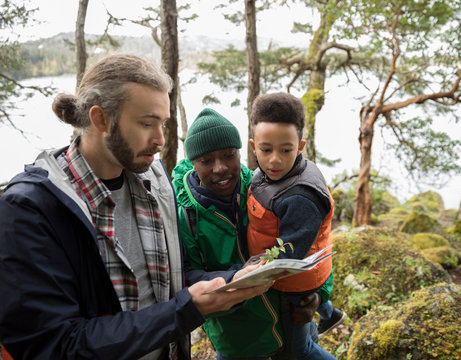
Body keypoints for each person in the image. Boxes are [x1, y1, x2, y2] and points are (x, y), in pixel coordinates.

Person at [0, 54, 270, 360]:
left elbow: (170, 285)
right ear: (101, 119)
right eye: (146, 124)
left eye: (163, 124)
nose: (159, 140)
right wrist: (184, 312)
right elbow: (52, 345)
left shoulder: (155, 181)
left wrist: (232, 279)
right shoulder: (30, 209)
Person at [171, 108, 332, 360]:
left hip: (293, 325)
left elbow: (315, 241)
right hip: (240, 342)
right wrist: (235, 277)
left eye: (229, 155)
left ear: (242, 151)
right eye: (206, 160)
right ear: (192, 162)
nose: (220, 168)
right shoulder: (184, 215)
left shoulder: (264, 187)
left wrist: (317, 295)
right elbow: (184, 277)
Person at [247, 92, 346, 360]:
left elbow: (290, 254)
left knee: (297, 350)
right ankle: (329, 314)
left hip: (295, 282)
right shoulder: (274, 173)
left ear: (300, 146)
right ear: (254, 146)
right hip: (305, 271)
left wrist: (251, 269)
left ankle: (323, 317)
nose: (275, 160)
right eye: (266, 150)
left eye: (286, 150)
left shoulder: (300, 196)